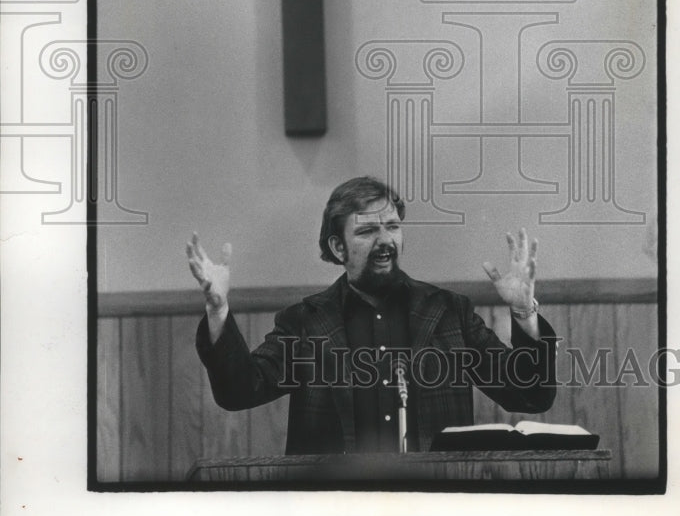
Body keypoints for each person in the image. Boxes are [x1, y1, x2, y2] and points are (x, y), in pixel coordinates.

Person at [187, 175, 557, 455]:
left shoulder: (449, 312)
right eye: (367, 231)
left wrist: (524, 312)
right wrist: (218, 311)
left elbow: (530, 395)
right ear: (338, 247)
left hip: (434, 512)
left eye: (393, 227)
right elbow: (239, 391)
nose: (385, 241)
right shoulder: (304, 323)